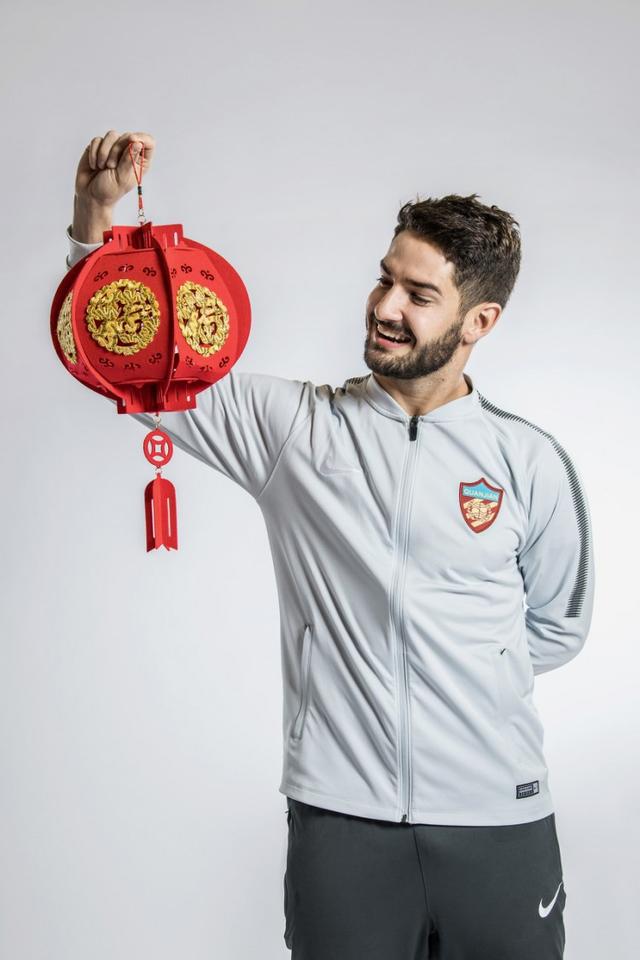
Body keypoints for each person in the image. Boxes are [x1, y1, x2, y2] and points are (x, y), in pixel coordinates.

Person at [63, 130, 595, 959]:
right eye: (385, 278)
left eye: (419, 294)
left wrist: (466, 674)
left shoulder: (529, 461)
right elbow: (127, 362)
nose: (385, 306)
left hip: (501, 821)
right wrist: (93, 222)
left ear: (480, 321)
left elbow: (558, 627)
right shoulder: (293, 429)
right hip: (343, 824)